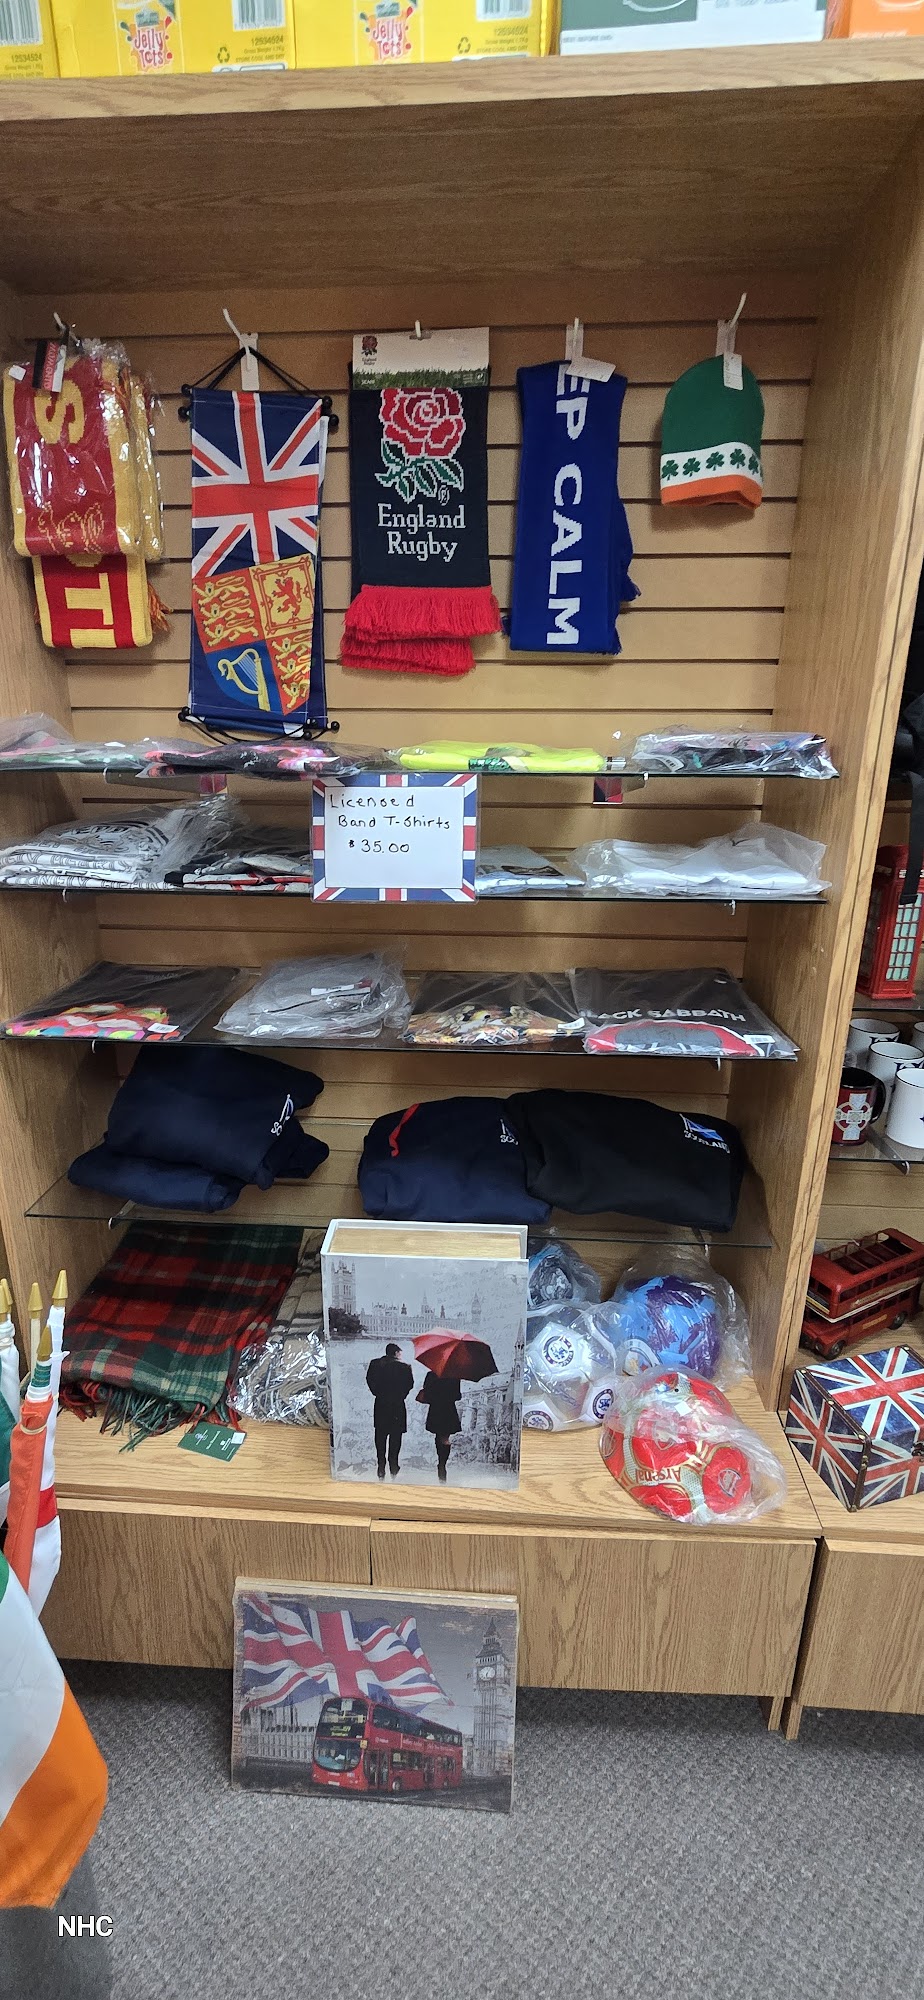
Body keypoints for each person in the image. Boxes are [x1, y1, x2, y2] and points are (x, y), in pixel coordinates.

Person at [365, 1342, 414, 1480]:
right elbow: (409, 1385)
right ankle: (394, 1464)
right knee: (396, 1436)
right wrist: (401, 1395)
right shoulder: (405, 1367)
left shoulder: (375, 1364)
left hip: (381, 1403)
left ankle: (381, 1463)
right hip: (397, 1404)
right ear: (396, 1353)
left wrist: (377, 1393)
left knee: (380, 1434)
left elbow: (370, 1379)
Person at [416, 1372, 463, 1482]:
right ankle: (442, 1463)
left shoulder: (431, 1375)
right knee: (445, 1438)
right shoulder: (454, 1376)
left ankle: (440, 1461)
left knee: (438, 1434)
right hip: (448, 1409)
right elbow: (457, 1396)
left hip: (436, 1409)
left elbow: (427, 1392)